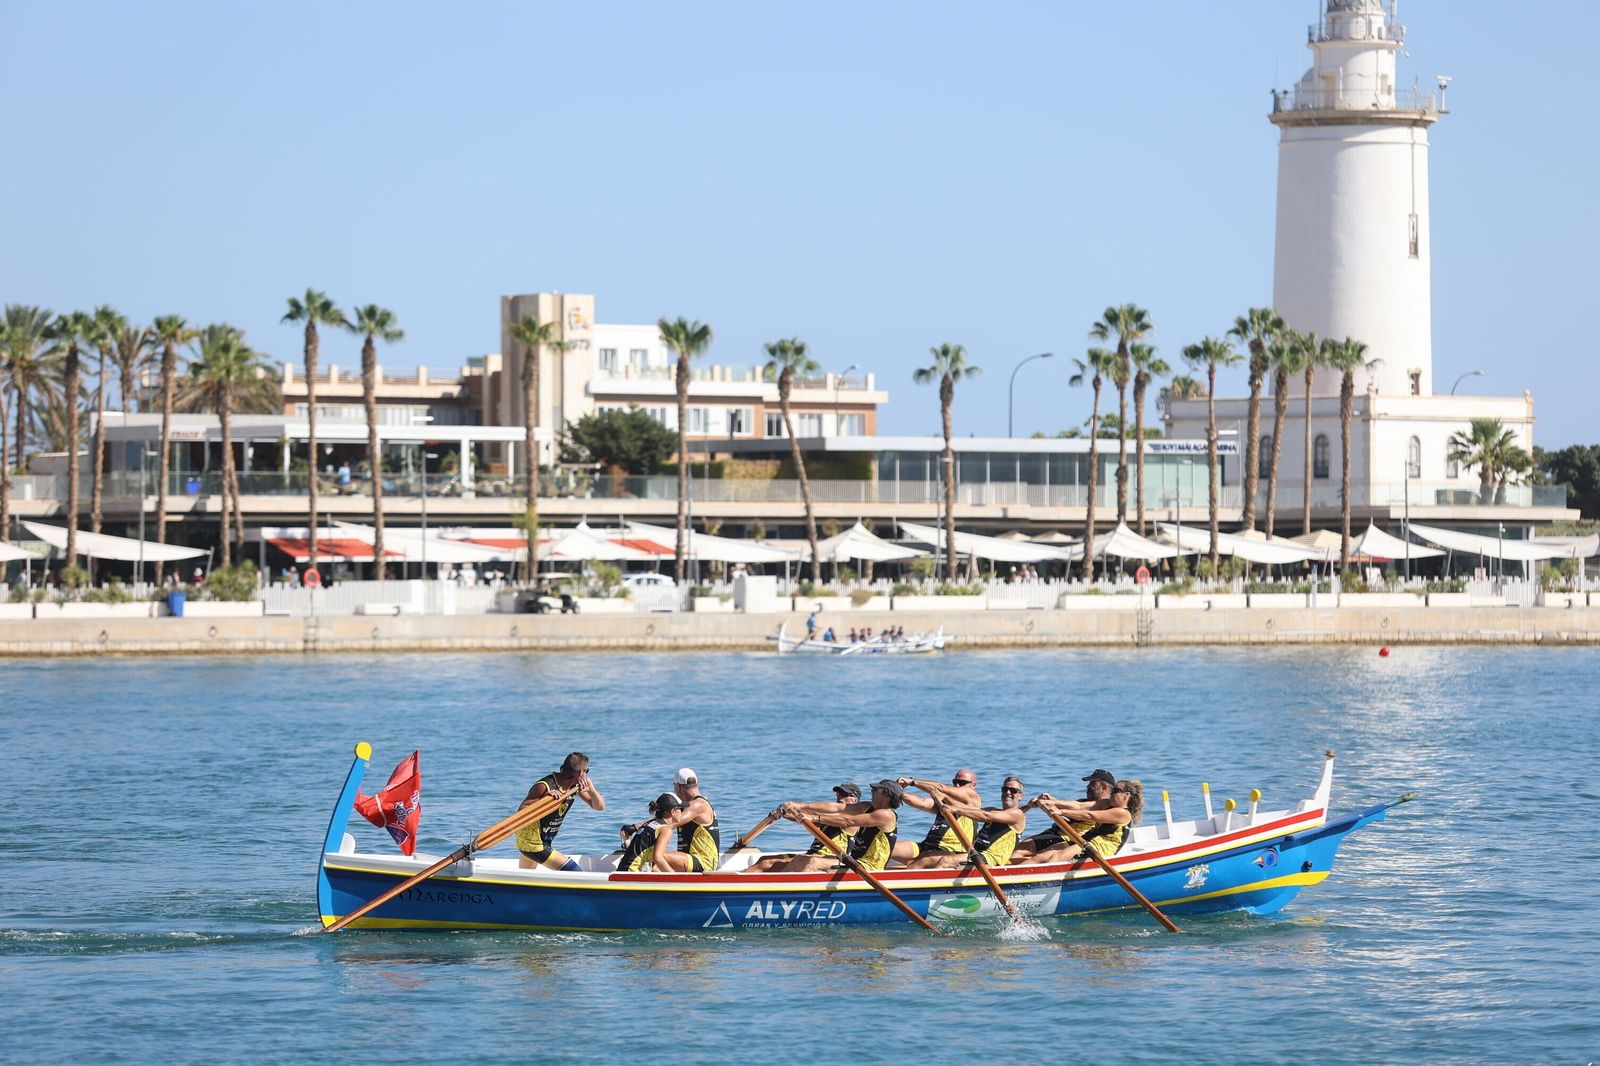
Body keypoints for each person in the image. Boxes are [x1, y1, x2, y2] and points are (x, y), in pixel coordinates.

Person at [769, 779, 901, 873]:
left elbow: (848, 821)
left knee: (810, 862)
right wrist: (800, 806)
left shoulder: (886, 815)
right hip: (852, 860)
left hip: (868, 868)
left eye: (876, 789)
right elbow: (836, 807)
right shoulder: (866, 806)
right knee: (800, 860)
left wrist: (814, 817)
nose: (872, 791)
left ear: (886, 794)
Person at [514, 752, 606, 871]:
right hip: (532, 842)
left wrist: (592, 790)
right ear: (580, 773)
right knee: (575, 872)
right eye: (586, 771)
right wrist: (545, 799)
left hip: (543, 840)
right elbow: (521, 810)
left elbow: (599, 807)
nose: (587, 775)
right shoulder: (544, 786)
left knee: (525, 880)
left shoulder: (574, 786)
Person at [913, 775, 1028, 869]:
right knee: (925, 859)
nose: (1008, 792)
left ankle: (935, 891)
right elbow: (972, 810)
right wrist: (944, 797)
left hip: (989, 859)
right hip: (973, 854)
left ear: (1021, 796)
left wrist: (956, 809)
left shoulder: (1017, 815)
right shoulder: (994, 810)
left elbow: (985, 816)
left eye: (1013, 790)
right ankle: (903, 887)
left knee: (945, 861)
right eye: (1005, 789)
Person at [746, 782, 862, 873]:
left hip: (830, 859)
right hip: (812, 854)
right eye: (838, 794)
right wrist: (783, 813)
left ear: (855, 800)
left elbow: (815, 816)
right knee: (764, 861)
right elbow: (811, 817)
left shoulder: (852, 819)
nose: (840, 798)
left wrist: (800, 808)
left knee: (770, 863)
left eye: (844, 795)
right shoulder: (828, 818)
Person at [1010, 768, 1114, 862]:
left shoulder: (1104, 806)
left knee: (1025, 854)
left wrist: (1052, 804)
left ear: (1104, 788)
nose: (1088, 786)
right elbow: (1071, 806)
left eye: (1092, 784)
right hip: (1057, 832)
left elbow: (1079, 808)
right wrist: (1048, 800)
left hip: (1068, 838)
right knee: (1018, 850)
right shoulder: (1085, 801)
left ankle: (1015, 873)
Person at [1028, 779, 1141, 864]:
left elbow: (1090, 815)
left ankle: (1034, 886)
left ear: (1126, 795)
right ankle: (1012, 878)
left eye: (1115, 790)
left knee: (1055, 858)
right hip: (1084, 840)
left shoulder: (1123, 814)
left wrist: (1061, 812)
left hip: (1099, 847)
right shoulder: (1106, 803)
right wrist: (1050, 802)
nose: (1111, 793)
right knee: (1039, 857)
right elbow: (1079, 805)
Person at [891, 770, 981, 867]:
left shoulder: (973, 799)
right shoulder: (943, 802)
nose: (957, 785)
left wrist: (912, 782)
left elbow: (942, 788)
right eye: (955, 782)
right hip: (927, 846)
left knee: (922, 859)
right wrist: (897, 791)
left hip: (950, 851)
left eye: (962, 783)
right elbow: (921, 802)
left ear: (973, 785)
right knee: (887, 847)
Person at [651, 768, 720, 872]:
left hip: (703, 863)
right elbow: (662, 819)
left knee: (655, 855)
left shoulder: (698, 805)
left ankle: (672, 882)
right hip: (689, 860)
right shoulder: (688, 806)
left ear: (678, 786)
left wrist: (637, 827)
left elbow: (668, 823)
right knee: (654, 860)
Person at [617, 793, 682, 872]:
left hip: (623, 870)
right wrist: (675, 876)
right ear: (673, 811)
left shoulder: (650, 823)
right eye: (681, 809)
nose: (682, 812)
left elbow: (651, 861)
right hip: (631, 872)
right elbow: (658, 858)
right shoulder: (666, 830)